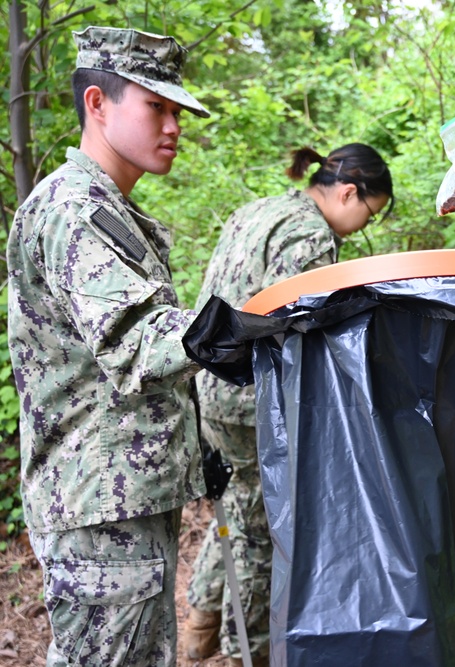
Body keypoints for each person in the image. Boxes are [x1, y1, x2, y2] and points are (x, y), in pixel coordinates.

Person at [6, 26, 211, 666]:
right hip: (102, 512)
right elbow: (136, 343)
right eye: (157, 106)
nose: (173, 124)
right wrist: (237, 325)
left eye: (178, 110)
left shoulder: (106, 207)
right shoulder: (75, 208)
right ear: (98, 104)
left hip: (119, 499)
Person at [181, 143, 394, 666]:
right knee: (262, 529)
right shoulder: (311, 236)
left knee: (243, 508)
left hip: (209, 386)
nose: (364, 226)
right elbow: (306, 332)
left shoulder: (263, 210)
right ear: (349, 192)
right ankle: (245, 650)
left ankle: (201, 623)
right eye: (370, 213)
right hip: (251, 396)